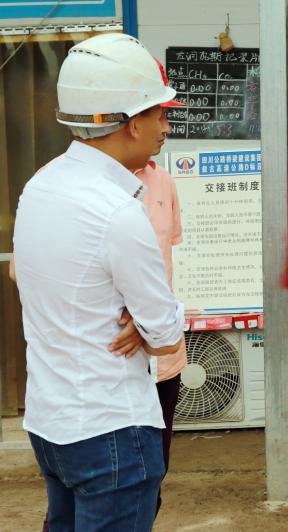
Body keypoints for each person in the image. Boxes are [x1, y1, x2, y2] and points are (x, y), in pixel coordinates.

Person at [12, 33, 185, 531]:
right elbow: (165, 333)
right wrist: (145, 318)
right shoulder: (118, 212)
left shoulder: (40, 187)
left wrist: (137, 314)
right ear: (132, 123)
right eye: (159, 113)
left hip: (51, 422)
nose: (165, 127)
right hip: (112, 427)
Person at [135, 159, 186, 515]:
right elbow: (22, 270)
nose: (166, 132)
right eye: (160, 129)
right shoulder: (63, 179)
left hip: (162, 359)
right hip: (108, 358)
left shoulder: (163, 180)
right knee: (103, 480)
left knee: (154, 471)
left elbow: (166, 258)